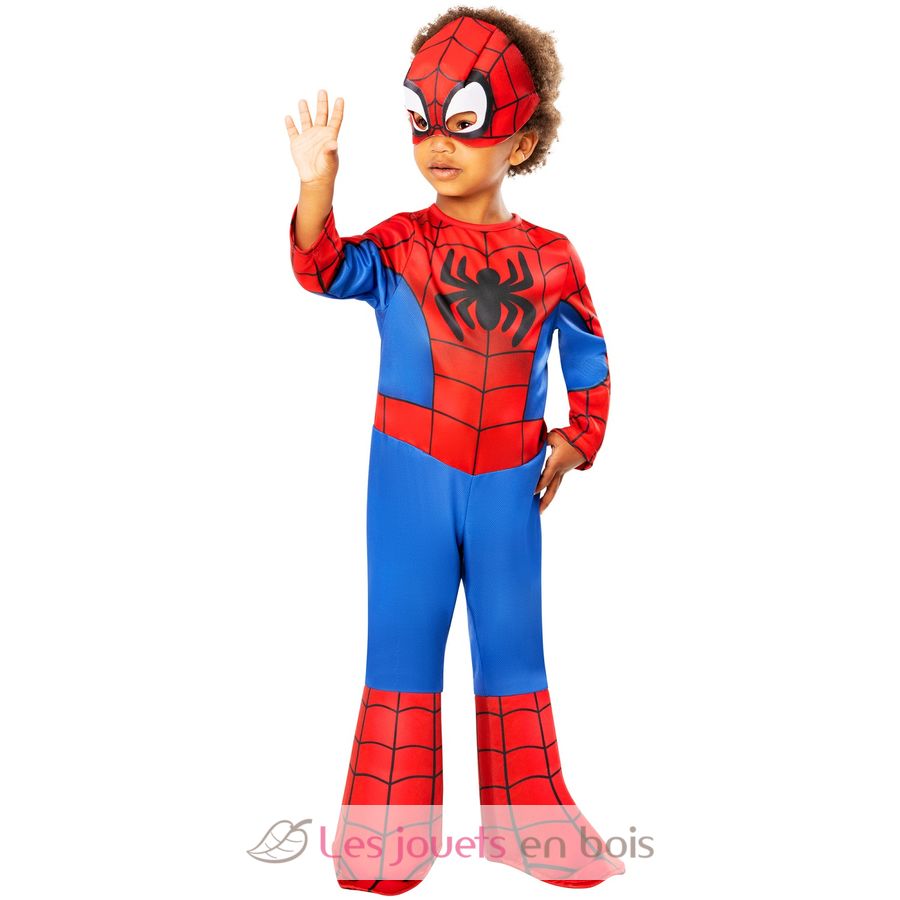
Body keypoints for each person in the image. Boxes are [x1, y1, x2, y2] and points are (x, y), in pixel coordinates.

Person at [285, 7, 624, 894]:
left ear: (521, 140)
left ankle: (528, 826)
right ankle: (386, 838)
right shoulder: (401, 244)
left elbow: (589, 354)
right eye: (421, 121)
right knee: (402, 642)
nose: (438, 144)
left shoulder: (553, 257)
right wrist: (318, 184)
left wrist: (576, 438)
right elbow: (322, 268)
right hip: (409, 476)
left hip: (510, 482)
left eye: (464, 124)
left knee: (514, 644)